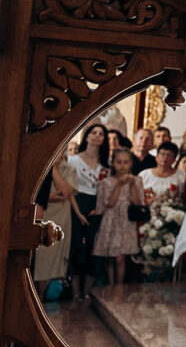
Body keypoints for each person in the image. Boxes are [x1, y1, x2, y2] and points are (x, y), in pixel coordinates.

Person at [33, 148, 82, 300]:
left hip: (59, 219)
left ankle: (41, 295)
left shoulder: (69, 169)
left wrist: (53, 169)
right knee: (36, 257)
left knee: (50, 258)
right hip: (39, 214)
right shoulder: (36, 165)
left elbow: (66, 192)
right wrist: (50, 196)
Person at [69, 123, 109, 299]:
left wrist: (99, 208)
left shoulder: (106, 165)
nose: (97, 136)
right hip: (77, 204)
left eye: (101, 134)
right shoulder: (74, 160)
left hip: (97, 207)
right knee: (77, 247)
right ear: (86, 137)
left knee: (95, 249)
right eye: (94, 133)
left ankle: (87, 292)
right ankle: (75, 292)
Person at [93, 149, 145, 286]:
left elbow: (137, 202)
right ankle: (111, 285)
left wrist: (132, 184)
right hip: (111, 221)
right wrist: (119, 185)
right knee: (111, 257)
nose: (122, 166)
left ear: (131, 163)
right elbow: (109, 203)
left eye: (126, 162)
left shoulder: (138, 180)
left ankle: (119, 287)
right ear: (113, 163)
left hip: (126, 222)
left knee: (120, 258)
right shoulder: (106, 182)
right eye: (119, 162)